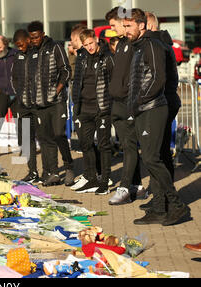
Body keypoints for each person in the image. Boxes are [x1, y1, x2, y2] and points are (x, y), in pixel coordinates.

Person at [124, 8, 189, 226]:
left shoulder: (151, 44)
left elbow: (158, 79)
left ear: (142, 26)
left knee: (153, 158)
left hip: (153, 107)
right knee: (152, 157)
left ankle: (176, 205)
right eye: (124, 26)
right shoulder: (139, 46)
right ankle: (159, 208)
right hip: (143, 108)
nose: (125, 31)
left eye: (128, 26)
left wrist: (140, 101)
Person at [137, 12, 183, 213]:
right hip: (162, 101)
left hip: (164, 102)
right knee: (159, 153)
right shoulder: (158, 43)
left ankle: (165, 199)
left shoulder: (159, 44)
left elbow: (159, 78)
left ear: (148, 26)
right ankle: (159, 197)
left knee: (159, 155)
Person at [105, 7, 147, 206]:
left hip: (129, 104)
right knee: (126, 146)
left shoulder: (135, 44)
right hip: (117, 103)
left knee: (130, 147)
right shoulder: (120, 44)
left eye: (114, 25)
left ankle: (124, 187)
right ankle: (137, 186)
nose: (112, 30)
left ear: (124, 22)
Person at [24, 20, 74, 187]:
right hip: (39, 104)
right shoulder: (31, 52)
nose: (34, 40)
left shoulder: (55, 47)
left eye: (37, 37)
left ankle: (69, 167)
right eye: (31, 38)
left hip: (57, 102)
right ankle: (52, 172)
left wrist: (57, 90)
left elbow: (66, 71)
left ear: (42, 35)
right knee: (45, 139)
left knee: (59, 134)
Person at [71, 29, 115, 195]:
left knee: (104, 146)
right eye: (86, 44)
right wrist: (76, 103)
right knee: (85, 144)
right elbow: (77, 82)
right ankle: (91, 178)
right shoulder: (81, 57)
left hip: (102, 109)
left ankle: (104, 180)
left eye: (91, 43)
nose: (89, 47)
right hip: (84, 109)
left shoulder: (107, 57)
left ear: (96, 40)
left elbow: (114, 82)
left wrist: (110, 104)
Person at [11, 28, 40, 182]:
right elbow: (14, 78)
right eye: (17, 46)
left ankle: (50, 171)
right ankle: (33, 171)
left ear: (28, 40)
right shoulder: (17, 56)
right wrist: (20, 93)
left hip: (37, 104)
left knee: (44, 137)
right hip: (23, 104)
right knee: (27, 139)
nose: (19, 48)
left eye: (21, 45)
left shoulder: (37, 53)